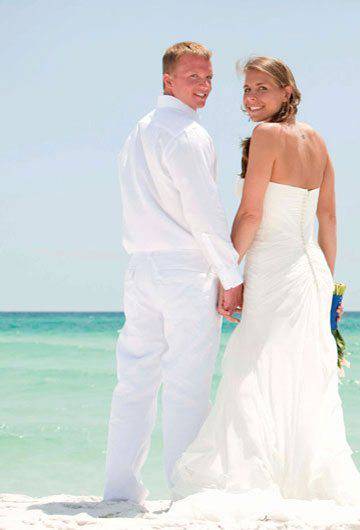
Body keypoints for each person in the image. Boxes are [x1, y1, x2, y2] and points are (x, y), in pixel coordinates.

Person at [168, 56, 360, 517]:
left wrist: (225, 271)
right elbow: (328, 219)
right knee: (299, 376)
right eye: (246, 89)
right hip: (310, 273)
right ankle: (296, 480)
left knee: (252, 369)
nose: (251, 99)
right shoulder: (318, 141)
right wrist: (330, 288)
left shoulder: (267, 137)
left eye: (262, 88)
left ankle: (258, 477)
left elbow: (250, 214)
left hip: (273, 269)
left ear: (288, 90)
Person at [102, 41, 245, 503]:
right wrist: (231, 276)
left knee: (135, 380)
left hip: (141, 269)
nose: (203, 86)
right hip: (183, 269)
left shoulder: (139, 130)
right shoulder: (188, 135)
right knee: (187, 382)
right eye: (193, 77)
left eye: (208, 78)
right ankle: (186, 490)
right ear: (168, 81)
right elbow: (204, 213)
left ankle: (120, 488)